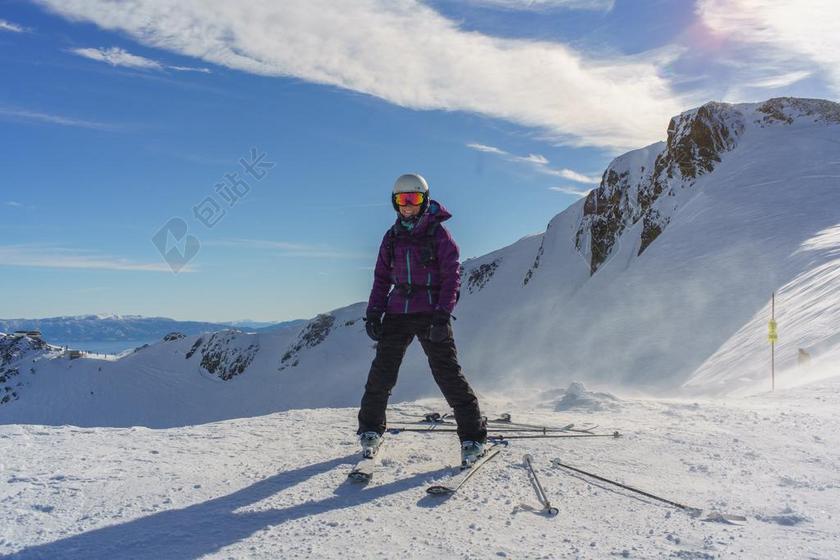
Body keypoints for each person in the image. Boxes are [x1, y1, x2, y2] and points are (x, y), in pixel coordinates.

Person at [357, 173, 487, 467]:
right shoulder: (391, 237)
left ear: (424, 200)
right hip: (398, 311)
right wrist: (374, 313)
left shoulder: (439, 235)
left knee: (447, 374)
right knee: (382, 374)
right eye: (401, 200)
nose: (406, 206)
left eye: (413, 199)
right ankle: (369, 431)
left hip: (430, 313)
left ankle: (473, 437)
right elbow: (380, 278)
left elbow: (451, 277)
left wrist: (442, 316)